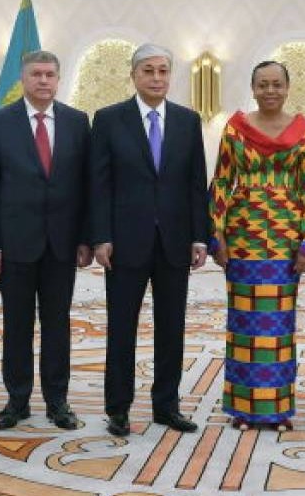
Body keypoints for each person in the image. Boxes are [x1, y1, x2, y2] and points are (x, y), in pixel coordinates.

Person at [90, 42, 209, 438]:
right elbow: (99, 184)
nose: (156, 78)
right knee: (121, 328)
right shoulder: (109, 119)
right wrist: (101, 236)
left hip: (174, 241)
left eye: (163, 71)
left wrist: (200, 236)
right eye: (148, 71)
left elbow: (196, 183)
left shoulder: (187, 121)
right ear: (134, 75)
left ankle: (167, 406)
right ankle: (118, 409)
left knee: (171, 328)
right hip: (124, 243)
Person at [210, 60, 305, 432]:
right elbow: (221, 182)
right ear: (253, 88)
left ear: (288, 87)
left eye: (277, 84)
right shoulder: (235, 128)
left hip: (285, 241)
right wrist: (217, 234)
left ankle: (276, 410)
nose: (270, 91)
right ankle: (243, 410)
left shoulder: (304, 131)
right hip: (243, 238)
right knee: (244, 323)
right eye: (263, 84)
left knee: (278, 325)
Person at [0, 50, 91, 431]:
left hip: (62, 244)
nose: (43, 81)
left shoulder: (77, 122)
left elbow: (86, 186)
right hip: (14, 245)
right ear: (23, 79)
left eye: (49, 75)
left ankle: (57, 401)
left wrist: (85, 238)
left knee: (58, 325)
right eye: (36, 74)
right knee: (17, 325)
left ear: (58, 79)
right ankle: (17, 400)